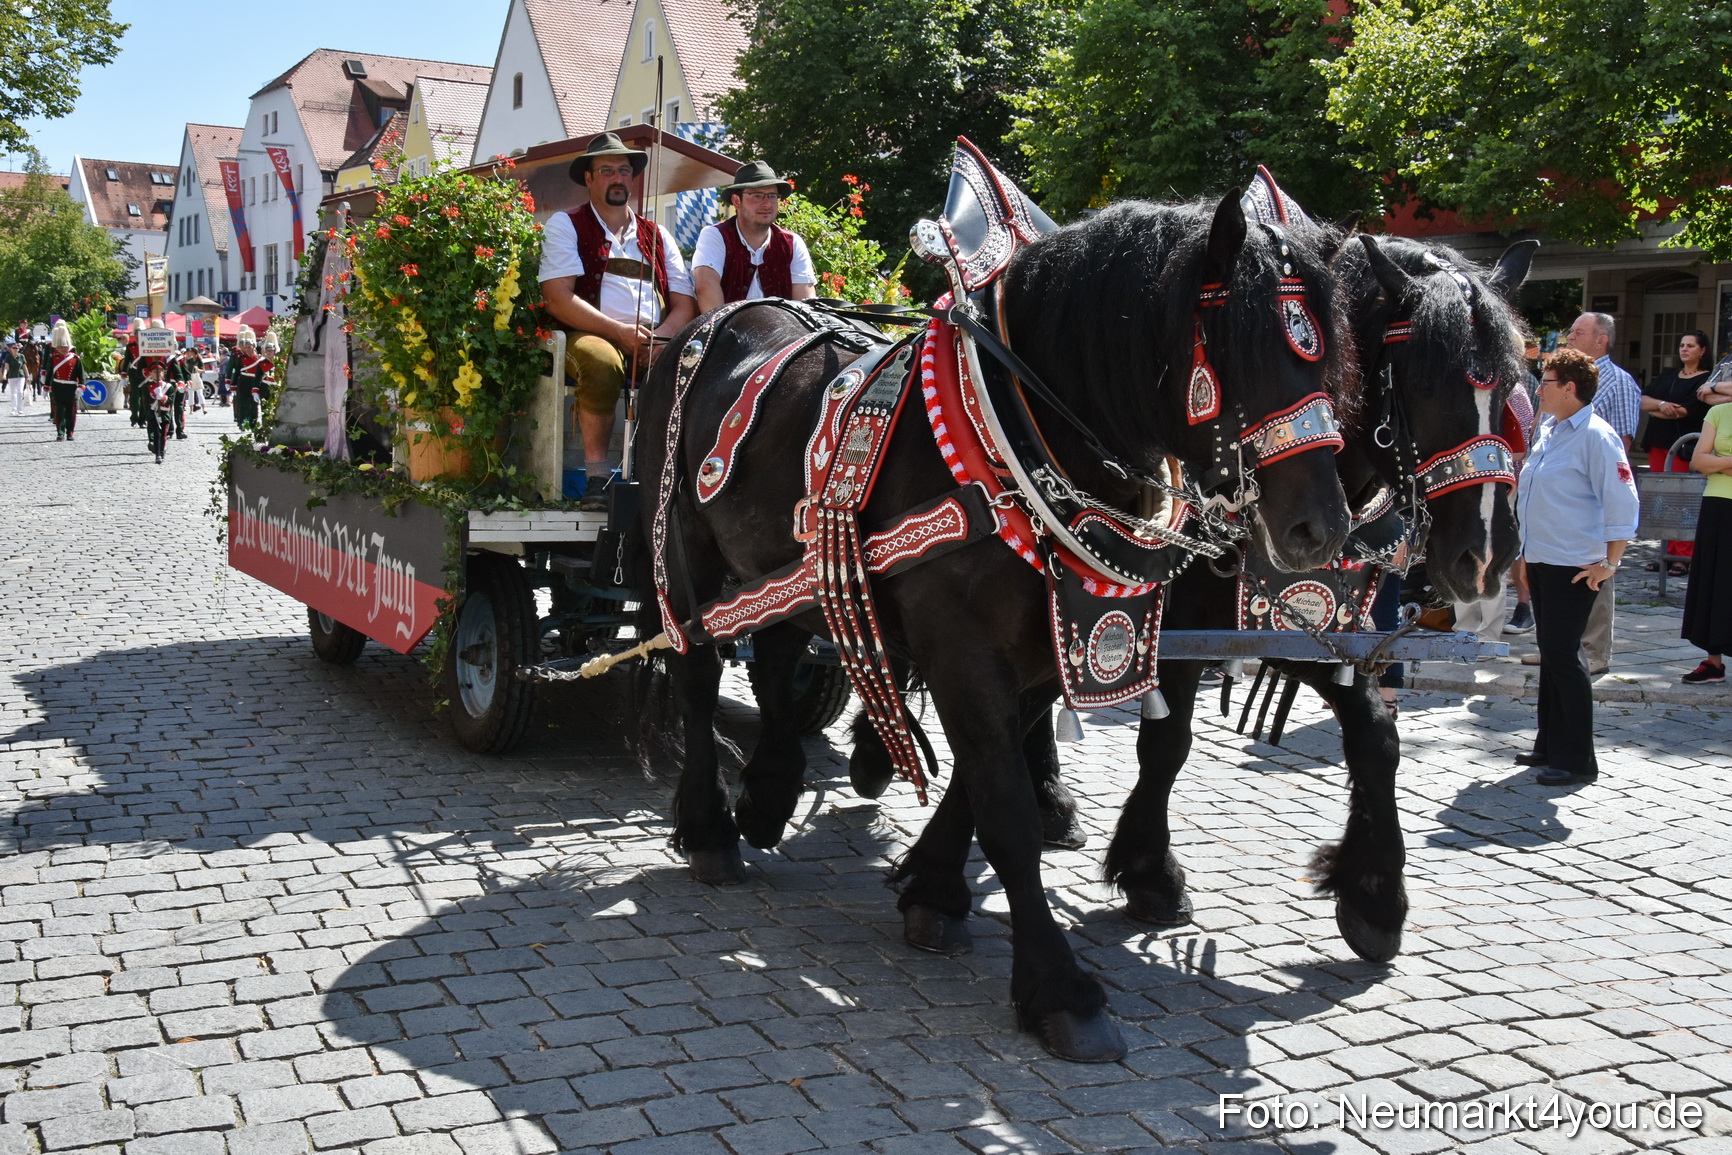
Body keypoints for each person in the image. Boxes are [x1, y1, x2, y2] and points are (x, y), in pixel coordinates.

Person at [538, 131, 697, 509]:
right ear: (589, 179)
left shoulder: (658, 235)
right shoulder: (566, 225)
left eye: (624, 170)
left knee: (696, 364)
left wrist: (661, 340)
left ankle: (675, 479)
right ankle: (596, 480)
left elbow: (685, 303)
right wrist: (620, 334)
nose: (617, 178)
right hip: (588, 333)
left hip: (651, 341)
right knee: (602, 360)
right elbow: (558, 298)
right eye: (606, 170)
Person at [1513, 348, 1639, 785]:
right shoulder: (1549, 429)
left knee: (1566, 656)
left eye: (1545, 383)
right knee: (1552, 653)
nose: (1538, 390)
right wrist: (1526, 555)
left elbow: (1622, 502)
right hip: (1544, 558)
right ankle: (1548, 745)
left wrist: (1610, 562)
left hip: (1575, 564)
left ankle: (1577, 759)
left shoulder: (1597, 436)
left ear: (1570, 388)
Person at [1564, 312, 1639, 675]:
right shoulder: (1562, 379)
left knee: (1595, 572)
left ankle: (1594, 651)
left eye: (1579, 332)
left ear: (1601, 340)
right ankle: (1559, 647)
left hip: (1594, 495)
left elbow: (1621, 442)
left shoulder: (1619, 382)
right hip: (1562, 497)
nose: (1570, 336)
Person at [691, 161, 817, 312]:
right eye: (757, 196)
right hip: (726, 331)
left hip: (783, 333)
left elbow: (805, 304)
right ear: (737, 201)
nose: (767, 204)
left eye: (772, 196)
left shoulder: (792, 243)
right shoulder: (716, 236)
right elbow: (706, 288)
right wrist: (725, 333)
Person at [1640, 329, 1713, 575]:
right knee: (1660, 500)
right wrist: (1660, 406)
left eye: (1691, 346)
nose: (1684, 349)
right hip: (1658, 442)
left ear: (1702, 350)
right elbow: (1644, 401)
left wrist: (1659, 409)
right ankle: (1664, 553)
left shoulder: (1706, 381)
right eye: (1682, 345)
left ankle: (1683, 555)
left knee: (1682, 500)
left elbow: (1686, 411)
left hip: (1683, 447)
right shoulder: (1669, 375)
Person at [1678, 366, 1732, 685]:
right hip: (1718, 505)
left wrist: (1719, 464)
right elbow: (1699, 461)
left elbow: (1710, 461)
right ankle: (1714, 662)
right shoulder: (1718, 414)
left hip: (1719, 493)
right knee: (1714, 578)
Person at [228, 326, 271, 429]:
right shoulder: (241, 358)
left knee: (253, 405)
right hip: (243, 381)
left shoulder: (259, 359)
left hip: (254, 382)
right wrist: (233, 385)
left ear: (253, 346)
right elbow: (237, 372)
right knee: (243, 404)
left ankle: (253, 423)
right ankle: (243, 423)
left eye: (249, 346)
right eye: (245, 347)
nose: (247, 349)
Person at [47, 321, 80, 442]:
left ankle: (70, 432)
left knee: (71, 412)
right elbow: (50, 370)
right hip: (58, 386)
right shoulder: (53, 356)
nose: (63, 349)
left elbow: (80, 372)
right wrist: (46, 386)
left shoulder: (75, 358)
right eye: (61, 347)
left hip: (71, 388)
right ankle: (60, 432)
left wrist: (81, 386)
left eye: (65, 347)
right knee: (59, 412)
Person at [1, 337, 24, 416]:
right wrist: (4, 374)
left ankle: (20, 408)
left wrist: (28, 377)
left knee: (20, 392)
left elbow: (25, 367)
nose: (15, 349)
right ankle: (14, 409)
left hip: (21, 376)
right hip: (11, 375)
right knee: (13, 393)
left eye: (16, 347)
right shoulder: (7, 355)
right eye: (13, 347)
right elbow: (5, 366)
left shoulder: (21, 356)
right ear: (10, 348)